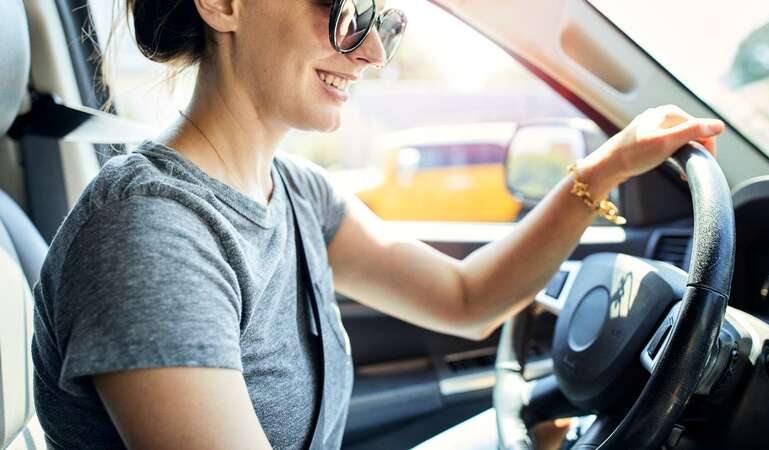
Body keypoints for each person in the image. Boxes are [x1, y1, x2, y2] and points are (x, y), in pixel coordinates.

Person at [31, 0, 725, 449]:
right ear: (223, 4)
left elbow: (465, 298)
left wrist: (603, 169)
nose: (374, 54)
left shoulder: (298, 192)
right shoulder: (151, 233)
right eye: (346, 10)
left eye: (386, 22)